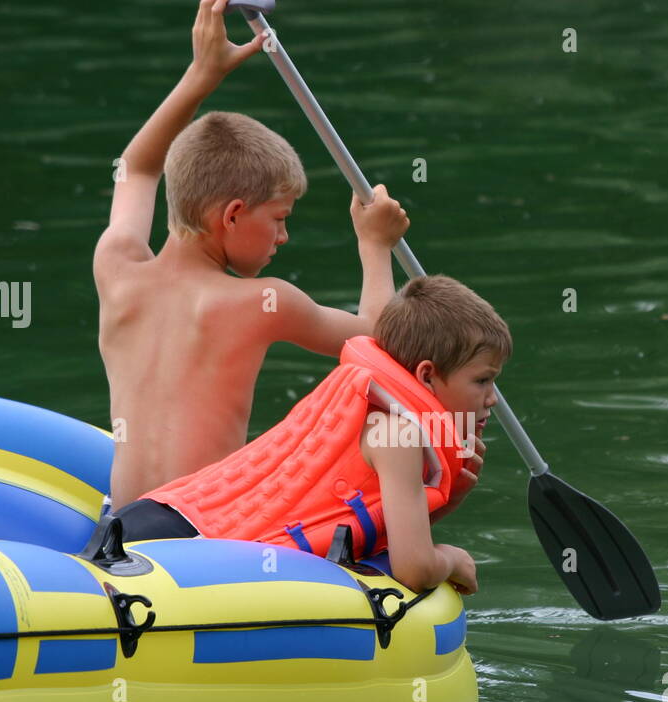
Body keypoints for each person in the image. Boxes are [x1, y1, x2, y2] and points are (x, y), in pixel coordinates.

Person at [95, 0, 410, 509]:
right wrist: (374, 245)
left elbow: (135, 168)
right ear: (234, 214)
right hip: (199, 536)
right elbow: (380, 336)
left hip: (121, 530)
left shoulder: (116, 267)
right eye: (279, 219)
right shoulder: (263, 301)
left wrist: (201, 75)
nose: (283, 238)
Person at [116, 275, 511, 596]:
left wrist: (450, 497)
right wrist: (453, 560)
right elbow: (414, 568)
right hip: (179, 547)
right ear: (426, 375)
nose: (492, 399)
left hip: (156, 521)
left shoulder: (374, 413)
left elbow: (366, 524)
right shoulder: (399, 435)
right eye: (482, 381)